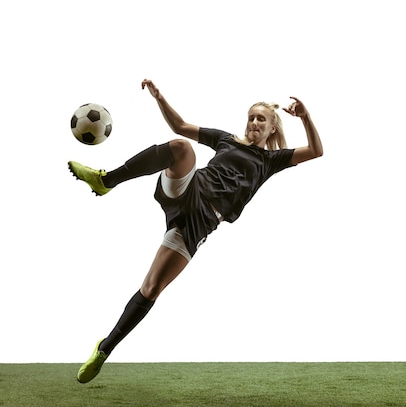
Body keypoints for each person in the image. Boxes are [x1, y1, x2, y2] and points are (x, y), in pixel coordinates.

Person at [69, 79, 323, 384]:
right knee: (181, 147)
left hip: (202, 220)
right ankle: (106, 180)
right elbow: (179, 126)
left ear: (271, 129)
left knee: (151, 288)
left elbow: (316, 151)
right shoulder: (226, 140)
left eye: (262, 119)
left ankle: (104, 350)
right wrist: (159, 96)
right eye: (251, 117)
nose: (254, 122)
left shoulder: (271, 161)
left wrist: (306, 117)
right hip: (189, 189)